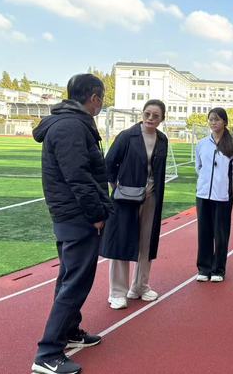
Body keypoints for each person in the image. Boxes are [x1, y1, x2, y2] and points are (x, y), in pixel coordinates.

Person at [31, 74, 113, 374]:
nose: (102, 104)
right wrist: (96, 214)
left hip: (70, 213)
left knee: (69, 276)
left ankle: (69, 331)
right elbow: (78, 177)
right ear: (94, 98)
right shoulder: (71, 127)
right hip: (77, 216)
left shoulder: (71, 124)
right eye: (101, 98)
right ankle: (48, 353)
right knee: (75, 282)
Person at [101, 99, 169, 309]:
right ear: (142, 114)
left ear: (162, 119)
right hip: (125, 200)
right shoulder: (127, 136)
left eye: (155, 116)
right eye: (147, 114)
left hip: (151, 198)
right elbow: (108, 164)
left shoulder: (162, 140)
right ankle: (117, 292)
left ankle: (140, 286)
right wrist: (118, 187)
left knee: (146, 242)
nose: (150, 118)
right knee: (121, 242)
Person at [195, 108, 233, 282]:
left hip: (222, 196)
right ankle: (204, 268)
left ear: (225, 122)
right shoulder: (202, 144)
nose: (213, 122)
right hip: (203, 195)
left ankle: (218, 270)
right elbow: (198, 167)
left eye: (217, 119)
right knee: (204, 232)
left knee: (221, 234)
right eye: (211, 119)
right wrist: (205, 183)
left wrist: (224, 185)